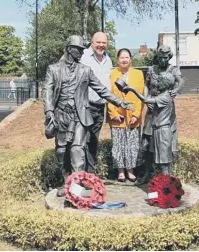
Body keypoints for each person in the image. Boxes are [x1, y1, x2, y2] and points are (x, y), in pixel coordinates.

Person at [42, 35, 133, 197]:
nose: (81, 52)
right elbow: (47, 92)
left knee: (77, 150)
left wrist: (120, 102)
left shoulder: (85, 70)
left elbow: (102, 89)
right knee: (62, 151)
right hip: (61, 115)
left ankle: (76, 187)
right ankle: (66, 182)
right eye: (78, 49)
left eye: (83, 50)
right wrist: (49, 112)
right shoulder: (53, 69)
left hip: (79, 116)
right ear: (70, 49)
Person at [136, 45, 184, 184]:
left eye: (165, 57)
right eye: (160, 57)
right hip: (151, 108)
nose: (162, 60)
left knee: (164, 143)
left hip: (165, 109)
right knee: (146, 143)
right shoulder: (151, 69)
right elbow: (146, 85)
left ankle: (166, 176)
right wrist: (146, 100)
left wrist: (176, 90)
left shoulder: (173, 70)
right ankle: (146, 173)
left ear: (169, 57)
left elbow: (180, 82)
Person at [107, 48, 145, 182]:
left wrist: (136, 114)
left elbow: (141, 96)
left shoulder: (138, 74)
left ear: (130, 60)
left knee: (132, 144)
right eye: (121, 58)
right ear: (117, 60)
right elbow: (108, 95)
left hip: (133, 116)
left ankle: (130, 170)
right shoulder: (111, 74)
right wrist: (113, 113)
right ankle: (121, 172)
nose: (124, 60)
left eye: (127, 57)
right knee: (118, 144)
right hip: (118, 117)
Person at [80, 32, 113, 173]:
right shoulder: (83, 57)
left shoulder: (108, 60)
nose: (101, 45)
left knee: (93, 141)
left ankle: (90, 174)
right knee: (80, 141)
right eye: (98, 42)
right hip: (85, 106)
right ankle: (78, 174)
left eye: (104, 43)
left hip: (100, 108)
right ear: (92, 42)